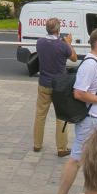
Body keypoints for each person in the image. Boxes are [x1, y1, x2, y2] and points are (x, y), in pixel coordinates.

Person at [53, 27, 97, 194]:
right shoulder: (90, 65)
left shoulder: (96, 63)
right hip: (93, 121)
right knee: (76, 160)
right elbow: (79, 93)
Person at [33, 17, 77, 157]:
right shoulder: (62, 45)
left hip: (44, 83)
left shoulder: (39, 42)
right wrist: (69, 43)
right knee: (61, 117)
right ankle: (61, 148)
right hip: (59, 85)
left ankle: (37, 144)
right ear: (58, 30)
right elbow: (74, 58)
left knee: (40, 115)